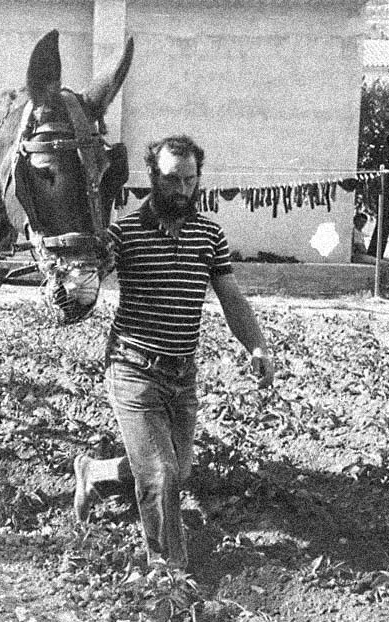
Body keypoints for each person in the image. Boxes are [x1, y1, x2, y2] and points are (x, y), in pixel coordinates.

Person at [73, 135, 275, 569]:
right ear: (153, 178)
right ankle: (167, 574)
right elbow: (84, 282)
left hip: (182, 375)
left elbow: (231, 297)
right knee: (161, 475)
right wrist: (78, 275)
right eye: (171, 180)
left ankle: (95, 472)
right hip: (132, 369)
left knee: (175, 471)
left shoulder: (209, 234)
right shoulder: (123, 233)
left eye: (189, 180)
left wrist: (256, 344)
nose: (182, 190)